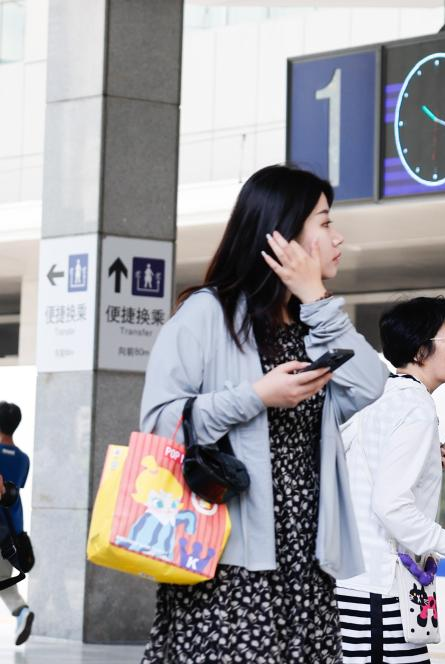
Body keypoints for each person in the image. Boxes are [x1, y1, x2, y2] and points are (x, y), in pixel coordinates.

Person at [139, 164, 388, 663]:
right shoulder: (208, 314)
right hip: (227, 559)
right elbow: (158, 423)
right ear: (282, 235)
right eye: (324, 222)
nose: (337, 237)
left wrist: (316, 297)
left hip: (305, 563)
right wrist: (255, 396)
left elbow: (371, 383)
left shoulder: (312, 324)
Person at [336, 297, 445, 664]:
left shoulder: (377, 397)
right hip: (380, 594)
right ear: (420, 348)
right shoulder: (416, 408)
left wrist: (428, 463)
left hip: (353, 587)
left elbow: (361, 472)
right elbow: (390, 505)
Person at [0, 402, 32, 645]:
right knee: (3, 579)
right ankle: (21, 612)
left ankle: (21, 612)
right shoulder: (22, 460)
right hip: (9, 530)